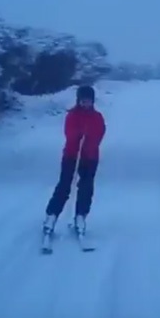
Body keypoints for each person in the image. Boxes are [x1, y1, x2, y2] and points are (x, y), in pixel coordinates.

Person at [43, 85, 106, 236]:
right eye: (83, 101)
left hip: (90, 157)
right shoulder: (72, 115)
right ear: (78, 100)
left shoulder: (97, 117)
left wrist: (89, 139)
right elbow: (69, 133)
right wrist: (78, 135)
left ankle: (80, 216)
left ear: (92, 101)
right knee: (64, 185)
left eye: (88, 101)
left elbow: (100, 133)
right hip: (72, 155)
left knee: (86, 187)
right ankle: (51, 216)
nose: (85, 103)